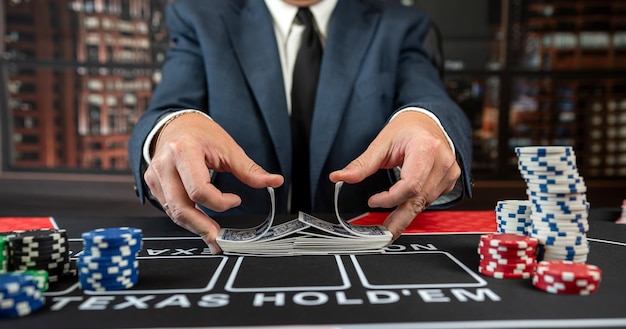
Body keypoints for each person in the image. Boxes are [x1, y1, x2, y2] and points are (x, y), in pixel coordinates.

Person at [129, 0, 473, 254]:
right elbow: (167, 109)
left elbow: (430, 99)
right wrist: (170, 129)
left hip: (366, 243)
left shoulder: (401, 23)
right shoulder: (199, 14)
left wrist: (427, 122)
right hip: (233, 239)